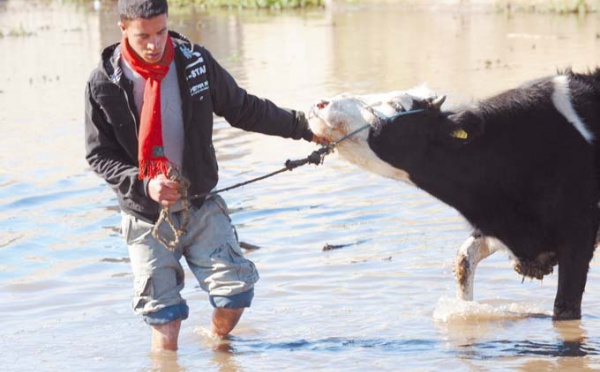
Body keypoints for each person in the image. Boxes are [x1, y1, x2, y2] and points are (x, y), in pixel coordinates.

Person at [84, 0, 322, 352]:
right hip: (145, 216)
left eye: (161, 32)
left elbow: (243, 108)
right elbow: (99, 155)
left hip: (199, 204)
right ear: (123, 29)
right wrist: (145, 184)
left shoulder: (195, 62)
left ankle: (218, 346)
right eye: (143, 36)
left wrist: (303, 126)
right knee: (166, 319)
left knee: (237, 295)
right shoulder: (103, 82)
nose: (154, 44)